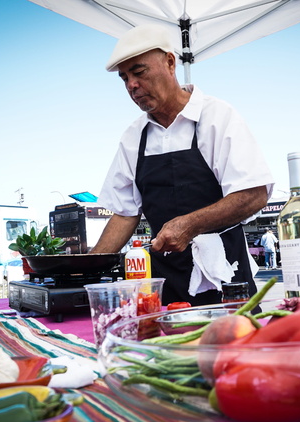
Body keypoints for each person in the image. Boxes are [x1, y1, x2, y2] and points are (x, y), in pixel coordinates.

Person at [91, 24, 274, 306]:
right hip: (163, 285)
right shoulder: (133, 137)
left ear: (170, 62)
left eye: (139, 72)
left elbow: (253, 194)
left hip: (226, 278)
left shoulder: (217, 117)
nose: (131, 85)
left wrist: (190, 225)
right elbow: (124, 214)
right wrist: (85, 269)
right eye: (124, 78)